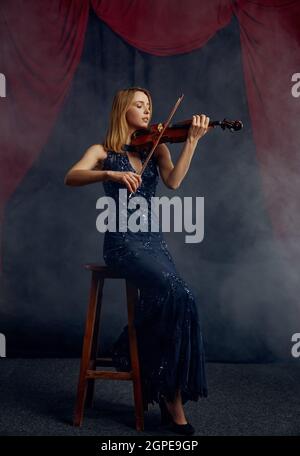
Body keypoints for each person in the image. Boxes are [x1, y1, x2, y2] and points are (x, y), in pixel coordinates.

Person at [64, 87, 211, 435]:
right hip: (121, 244)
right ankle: (168, 400)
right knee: (173, 292)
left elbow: (173, 183)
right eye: (139, 105)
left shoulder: (157, 146)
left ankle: (161, 386)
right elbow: (72, 176)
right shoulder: (102, 151)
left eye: (149, 106)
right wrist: (108, 175)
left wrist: (191, 141)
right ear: (122, 109)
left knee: (182, 296)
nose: (147, 112)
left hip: (153, 242)